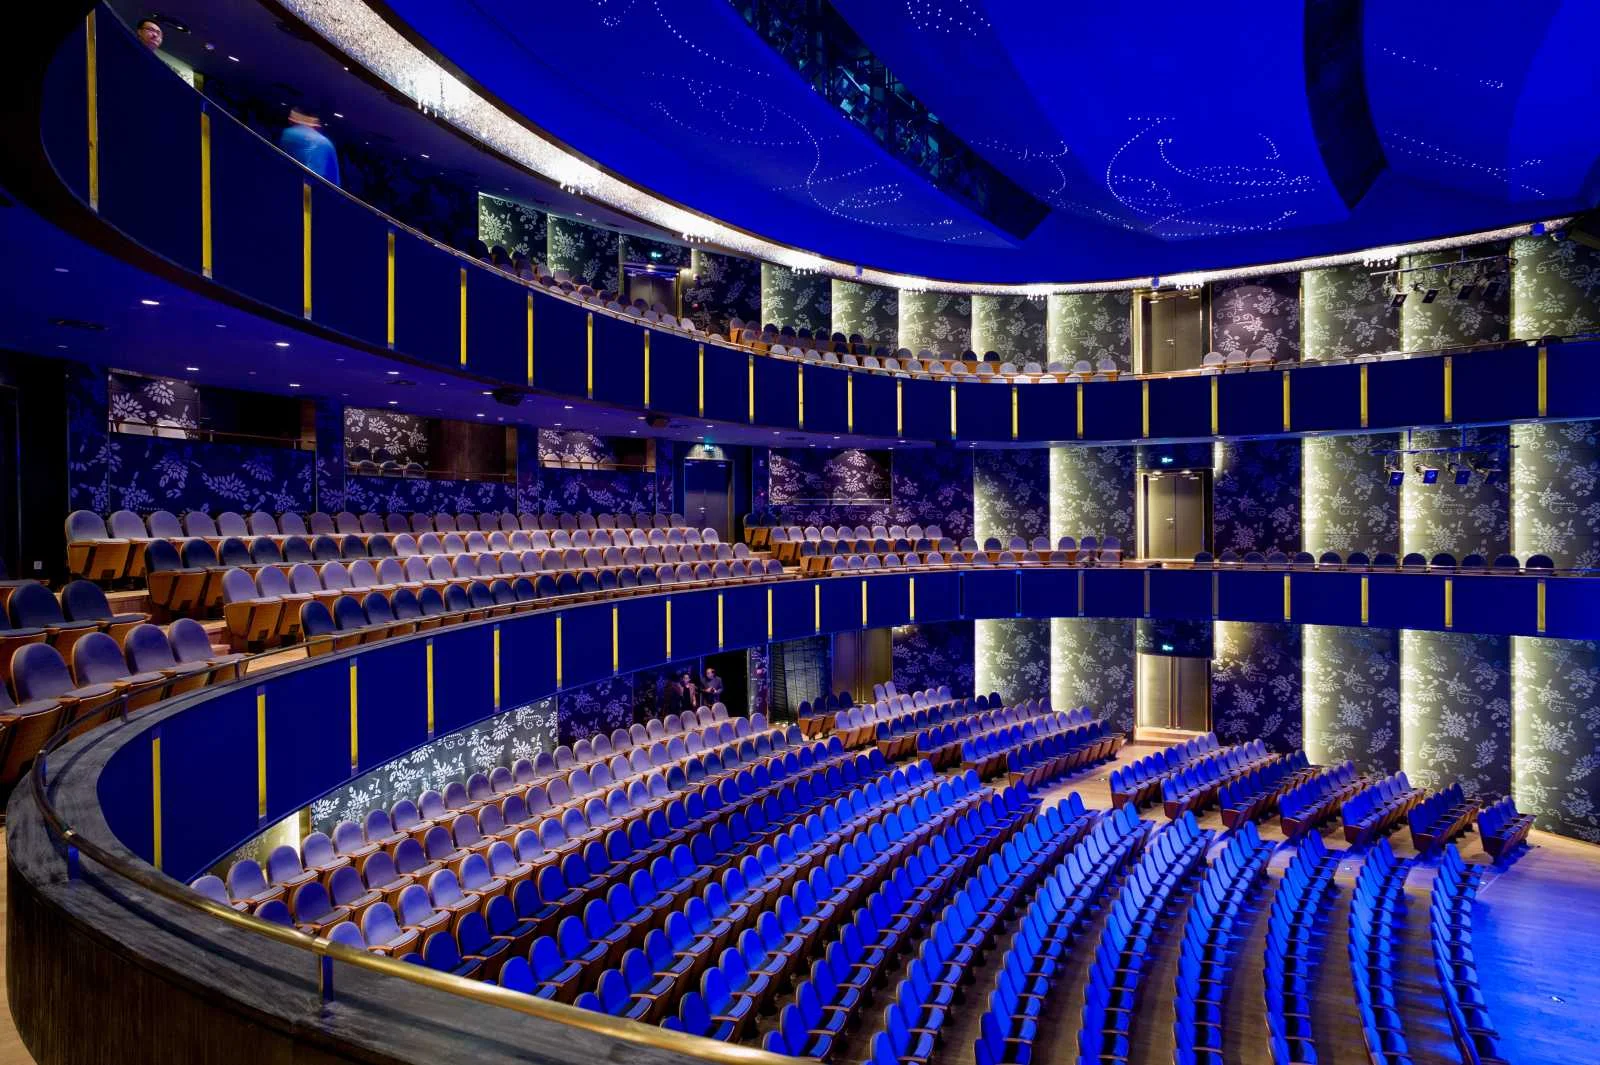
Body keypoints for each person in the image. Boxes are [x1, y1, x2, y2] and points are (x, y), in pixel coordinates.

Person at [278, 106, 341, 187]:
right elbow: (313, 181)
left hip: (282, 184)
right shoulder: (324, 143)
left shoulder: (286, 133)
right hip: (307, 192)